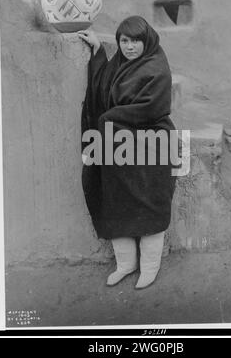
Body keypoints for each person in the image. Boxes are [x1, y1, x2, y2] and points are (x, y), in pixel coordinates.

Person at [78, 16, 177, 289]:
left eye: (136, 41)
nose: (130, 47)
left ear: (147, 42)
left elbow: (151, 107)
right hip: (118, 143)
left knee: (150, 204)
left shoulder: (156, 67)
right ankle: (126, 265)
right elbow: (100, 84)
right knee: (115, 202)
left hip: (150, 143)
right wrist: (99, 51)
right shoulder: (120, 65)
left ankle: (149, 268)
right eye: (124, 41)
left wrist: (110, 118)